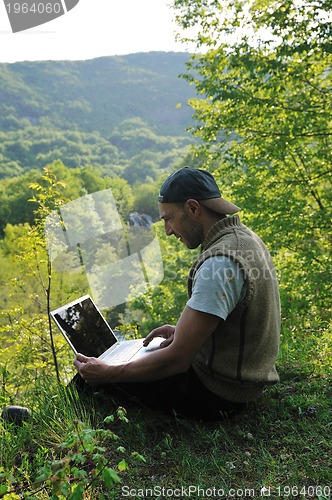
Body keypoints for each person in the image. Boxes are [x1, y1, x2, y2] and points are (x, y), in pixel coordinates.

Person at [74, 167, 281, 421]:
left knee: (88, 378)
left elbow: (177, 361)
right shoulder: (244, 238)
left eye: (168, 219)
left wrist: (108, 373)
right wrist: (184, 332)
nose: (168, 231)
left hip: (219, 393)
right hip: (244, 380)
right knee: (132, 360)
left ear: (193, 209)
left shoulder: (220, 263)